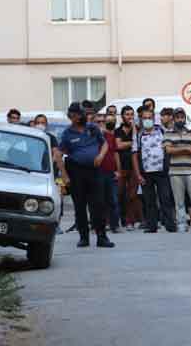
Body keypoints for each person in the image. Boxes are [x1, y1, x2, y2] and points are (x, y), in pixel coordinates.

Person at [60, 102, 114, 248]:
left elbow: (104, 144)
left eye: (82, 113)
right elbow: (59, 154)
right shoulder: (67, 133)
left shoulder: (92, 128)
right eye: (78, 115)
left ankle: (102, 237)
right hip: (76, 172)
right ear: (72, 117)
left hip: (94, 171)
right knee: (80, 205)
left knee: (98, 204)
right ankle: (83, 237)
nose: (81, 116)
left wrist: (101, 156)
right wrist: (64, 175)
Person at [132, 108, 177, 233]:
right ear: (141, 120)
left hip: (161, 172)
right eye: (144, 118)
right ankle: (152, 226)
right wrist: (138, 174)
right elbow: (134, 155)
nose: (147, 120)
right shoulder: (139, 135)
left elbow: (169, 148)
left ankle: (170, 225)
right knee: (149, 201)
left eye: (149, 118)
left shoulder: (161, 131)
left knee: (165, 199)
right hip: (146, 173)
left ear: (153, 119)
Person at [116, 106, 143, 231]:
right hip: (121, 167)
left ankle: (131, 221)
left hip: (134, 167)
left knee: (132, 195)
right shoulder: (118, 131)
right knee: (120, 194)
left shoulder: (137, 129)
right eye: (127, 114)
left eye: (132, 114)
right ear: (122, 116)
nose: (130, 117)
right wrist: (132, 143)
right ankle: (122, 219)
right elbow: (119, 145)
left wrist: (133, 130)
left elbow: (138, 143)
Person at [99, 114, 122, 233]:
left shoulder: (111, 136)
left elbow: (115, 153)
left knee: (113, 200)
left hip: (111, 172)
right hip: (98, 173)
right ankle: (101, 226)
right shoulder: (95, 137)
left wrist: (118, 170)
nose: (104, 124)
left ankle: (115, 225)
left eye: (111, 121)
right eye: (104, 121)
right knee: (100, 201)